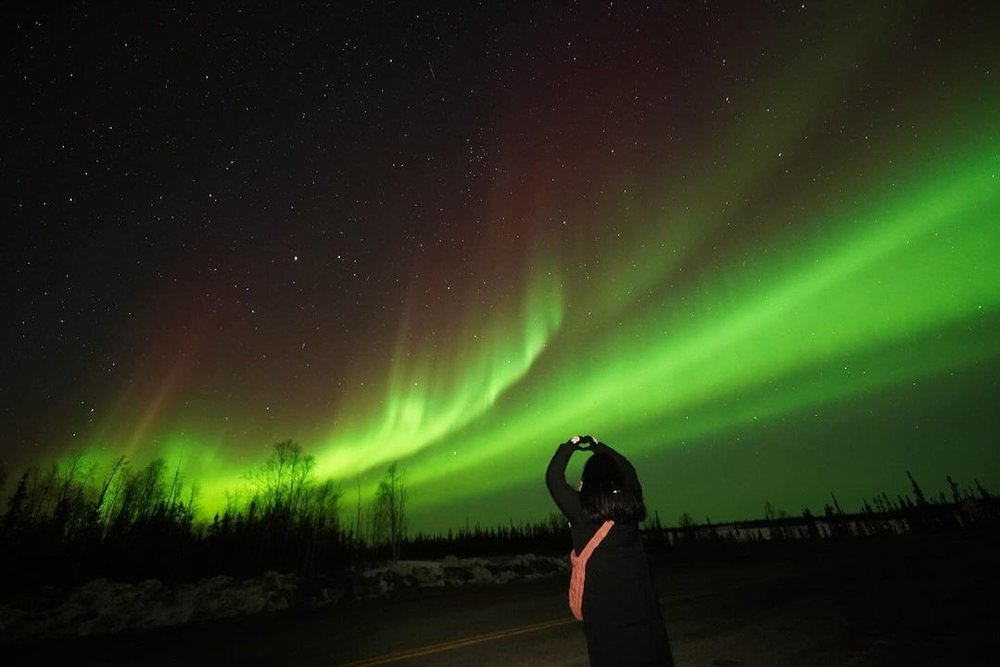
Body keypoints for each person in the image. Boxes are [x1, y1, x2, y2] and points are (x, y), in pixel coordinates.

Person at [546, 434, 673, 666]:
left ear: (589, 483)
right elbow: (628, 469)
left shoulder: (581, 512)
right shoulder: (631, 507)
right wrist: (598, 446)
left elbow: (554, 477)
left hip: (607, 624)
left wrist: (571, 445)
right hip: (646, 618)